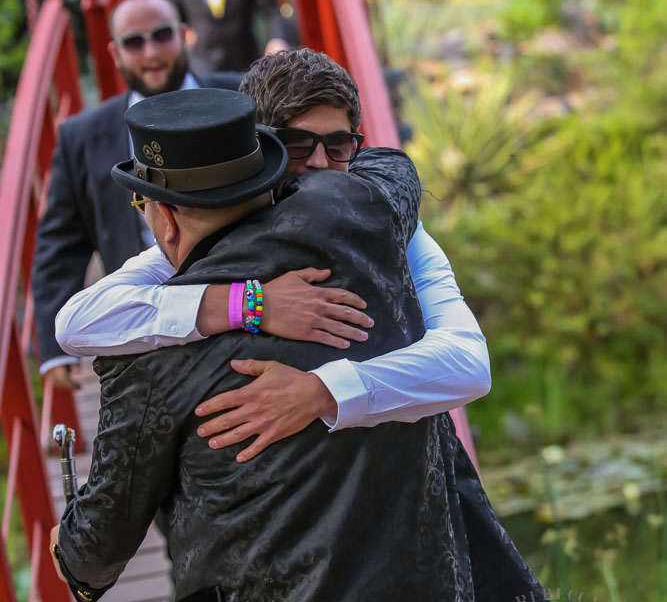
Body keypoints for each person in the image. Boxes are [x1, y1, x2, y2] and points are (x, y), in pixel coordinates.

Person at [54, 50, 542, 600]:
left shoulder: (380, 218)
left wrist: (321, 392)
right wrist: (247, 303)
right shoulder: (375, 212)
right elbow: (76, 321)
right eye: (299, 146)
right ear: (259, 153)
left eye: (339, 146)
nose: (322, 167)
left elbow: (469, 364)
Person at [30, 0, 246, 391]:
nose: (151, 53)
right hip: (148, 318)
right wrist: (53, 349)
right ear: (114, 53)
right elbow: (60, 241)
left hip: (246, 289)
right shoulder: (82, 135)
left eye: (162, 35)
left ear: (184, 34)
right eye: (134, 42)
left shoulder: (242, 95)